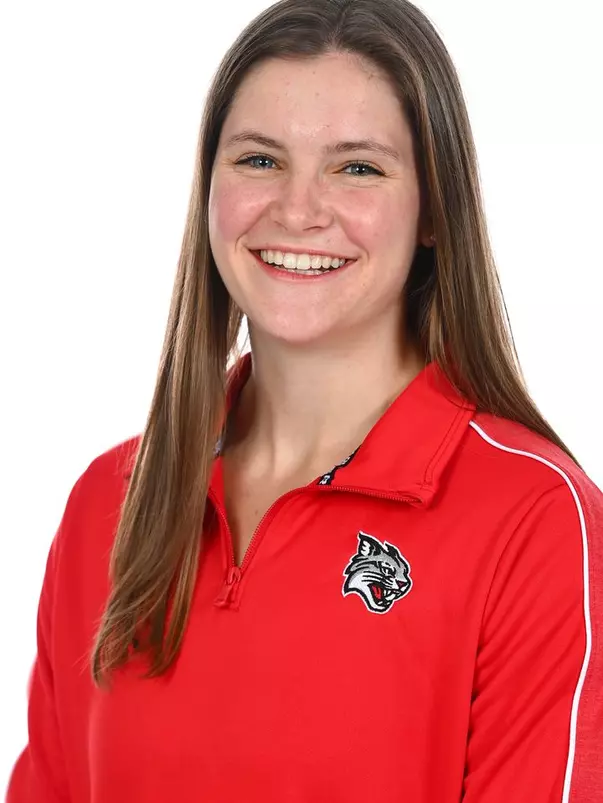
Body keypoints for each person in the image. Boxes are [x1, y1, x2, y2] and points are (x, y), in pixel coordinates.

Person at [6, 0, 602, 800]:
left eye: (357, 166)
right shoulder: (108, 504)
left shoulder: (532, 517)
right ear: (208, 189)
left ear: (432, 210)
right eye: (259, 159)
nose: (297, 208)